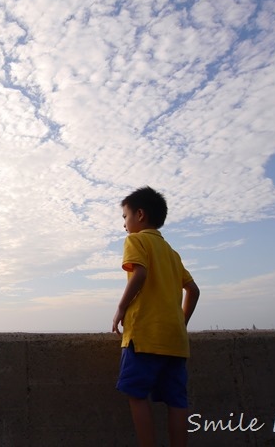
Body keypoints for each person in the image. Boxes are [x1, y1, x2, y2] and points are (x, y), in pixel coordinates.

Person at [112, 186, 200, 447]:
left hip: (145, 335)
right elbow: (193, 290)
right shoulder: (171, 253)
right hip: (174, 340)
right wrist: (180, 323)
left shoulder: (136, 241)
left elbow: (139, 273)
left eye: (125, 217)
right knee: (176, 401)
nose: (124, 225)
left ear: (140, 215)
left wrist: (120, 308)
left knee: (137, 395)